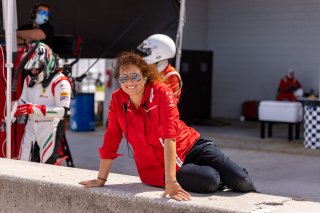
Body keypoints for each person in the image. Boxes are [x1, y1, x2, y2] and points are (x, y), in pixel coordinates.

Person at [79, 51, 257, 201]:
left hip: (190, 145)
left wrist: (171, 182)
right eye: (124, 78)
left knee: (241, 181)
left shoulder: (161, 92)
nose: (129, 82)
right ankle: (210, 175)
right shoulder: (118, 100)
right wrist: (101, 179)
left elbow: (169, 135)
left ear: (145, 76)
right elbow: (111, 137)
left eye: (135, 76)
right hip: (158, 166)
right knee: (211, 179)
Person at [14, 42, 71, 164]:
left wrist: (35, 109)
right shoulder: (28, 79)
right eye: (30, 69)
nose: (33, 71)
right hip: (31, 125)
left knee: (46, 168)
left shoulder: (60, 81)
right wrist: (10, 117)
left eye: (36, 68)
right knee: (23, 164)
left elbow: (62, 111)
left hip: (50, 127)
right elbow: (22, 101)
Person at [137, 34, 183, 104]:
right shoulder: (146, 70)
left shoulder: (171, 75)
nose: (145, 54)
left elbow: (165, 102)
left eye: (148, 51)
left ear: (158, 53)